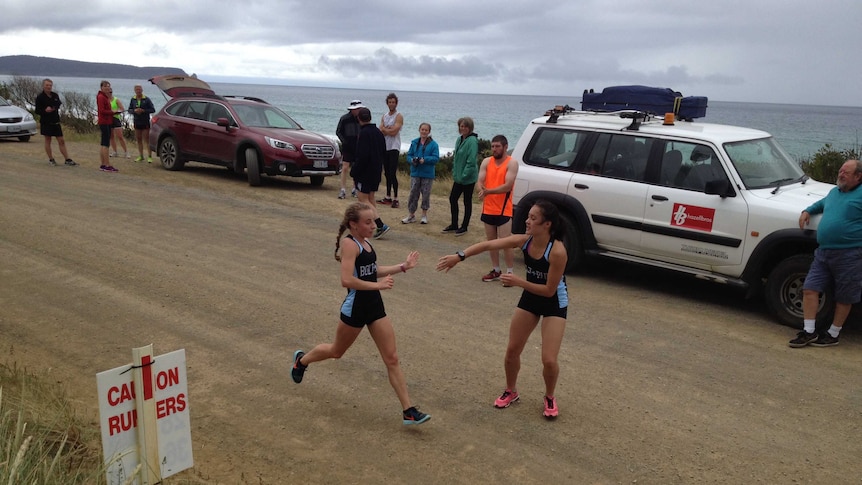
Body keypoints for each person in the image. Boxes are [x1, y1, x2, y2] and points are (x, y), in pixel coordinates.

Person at [291, 202, 431, 426]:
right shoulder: (350, 244)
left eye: (374, 221)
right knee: (337, 352)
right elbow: (346, 280)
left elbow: (371, 270)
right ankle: (302, 360)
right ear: (353, 225)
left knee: (392, 358)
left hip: (374, 306)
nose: (373, 226)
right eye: (368, 222)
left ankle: (408, 411)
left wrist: (402, 266)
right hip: (356, 307)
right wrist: (378, 286)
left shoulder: (366, 243)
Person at [437, 200, 568, 419]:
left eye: (533, 218)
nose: (526, 221)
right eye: (528, 216)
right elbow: (489, 245)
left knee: (549, 360)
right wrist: (459, 256)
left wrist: (519, 282)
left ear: (547, 224)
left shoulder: (557, 251)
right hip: (530, 297)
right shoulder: (523, 241)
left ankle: (549, 396)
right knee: (512, 350)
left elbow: (548, 290)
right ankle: (511, 391)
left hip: (553, 301)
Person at [789, 159, 862, 348]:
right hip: (823, 253)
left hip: (850, 254)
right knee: (810, 289)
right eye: (840, 170)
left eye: (846, 172)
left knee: (844, 296)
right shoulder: (834, 192)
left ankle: (833, 334)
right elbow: (822, 203)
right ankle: (809, 332)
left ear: (858, 176)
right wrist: (808, 211)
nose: (841, 174)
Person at [477, 135, 519, 283]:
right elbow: (480, 180)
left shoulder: (512, 163)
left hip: (503, 209)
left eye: (497, 146)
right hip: (488, 208)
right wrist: (481, 190)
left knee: (506, 242)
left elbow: (508, 185)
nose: (494, 149)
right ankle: (496, 270)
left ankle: (510, 272)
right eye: (493, 146)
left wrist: (488, 191)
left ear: (505, 147)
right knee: (491, 242)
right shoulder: (487, 162)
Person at [351, 107, 391, 239]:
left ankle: (380, 224)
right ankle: (374, 225)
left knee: (363, 199)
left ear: (359, 119)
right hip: (376, 170)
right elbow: (384, 152)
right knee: (371, 198)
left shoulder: (364, 133)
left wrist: (355, 171)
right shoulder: (378, 133)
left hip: (365, 172)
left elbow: (362, 156)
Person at [444, 117, 479, 236]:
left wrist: (464, 175)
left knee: (467, 201)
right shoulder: (459, 139)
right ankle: (454, 224)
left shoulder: (472, 140)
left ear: (470, 127)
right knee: (453, 198)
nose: (462, 128)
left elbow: (471, 160)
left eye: (465, 126)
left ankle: (464, 226)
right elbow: (456, 158)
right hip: (458, 177)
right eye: (461, 126)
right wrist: (455, 172)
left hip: (468, 178)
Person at [401, 123, 439, 225]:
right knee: (413, 194)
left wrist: (425, 160)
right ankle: (411, 215)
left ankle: (424, 215)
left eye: (426, 130)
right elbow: (409, 155)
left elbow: (436, 158)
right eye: (422, 129)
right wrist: (412, 160)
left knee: (425, 194)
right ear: (419, 130)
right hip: (415, 172)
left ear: (429, 131)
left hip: (427, 173)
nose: (424, 132)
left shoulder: (434, 145)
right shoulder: (414, 142)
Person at [34, 78, 76, 166]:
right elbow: (37, 111)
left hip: (55, 121)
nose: (49, 87)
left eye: (50, 85)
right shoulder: (40, 97)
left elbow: (58, 104)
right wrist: (45, 111)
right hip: (46, 122)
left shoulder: (55, 95)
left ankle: (67, 159)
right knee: (48, 140)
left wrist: (52, 108)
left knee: (61, 140)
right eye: (47, 85)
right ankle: (51, 159)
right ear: (43, 86)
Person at [378, 93, 404, 208]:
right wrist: (388, 129)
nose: (391, 104)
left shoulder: (399, 116)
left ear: (396, 103)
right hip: (385, 146)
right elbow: (381, 130)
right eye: (390, 102)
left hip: (394, 147)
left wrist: (387, 129)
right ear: (387, 103)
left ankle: (396, 198)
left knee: (392, 173)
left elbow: (394, 132)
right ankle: (388, 196)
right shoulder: (384, 116)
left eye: (393, 102)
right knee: (387, 173)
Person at [336, 100, 363, 199]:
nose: (358, 111)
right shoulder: (344, 119)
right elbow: (338, 131)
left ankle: (355, 189)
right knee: (345, 167)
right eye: (356, 109)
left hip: (358, 147)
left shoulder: (361, 119)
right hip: (347, 147)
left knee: (356, 168)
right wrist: (344, 141)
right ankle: (342, 189)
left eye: (359, 109)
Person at [129, 85, 156, 163]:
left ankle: (150, 156)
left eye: (140, 89)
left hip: (145, 121)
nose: (138, 91)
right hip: (136, 121)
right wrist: (135, 111)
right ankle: (141, 155)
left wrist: (143, 111)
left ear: (142, 90)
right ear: (135, 90)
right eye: (137, 89)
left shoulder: (146, 99)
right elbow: (129, 109)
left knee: (147, 139)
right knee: (139, 139)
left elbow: (152, 109)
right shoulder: (133, 99)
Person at [96, 80, 119, 172]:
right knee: (106, 144)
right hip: (105, 122)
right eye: (105, 86)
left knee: (103, 143)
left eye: (108, 86)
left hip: (107, 121)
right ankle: (107, 164)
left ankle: (103, 164)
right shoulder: (101, 97)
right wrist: (112, 112)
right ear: (101, 87)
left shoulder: (105, 97)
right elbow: (102, 110)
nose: (107, 88)